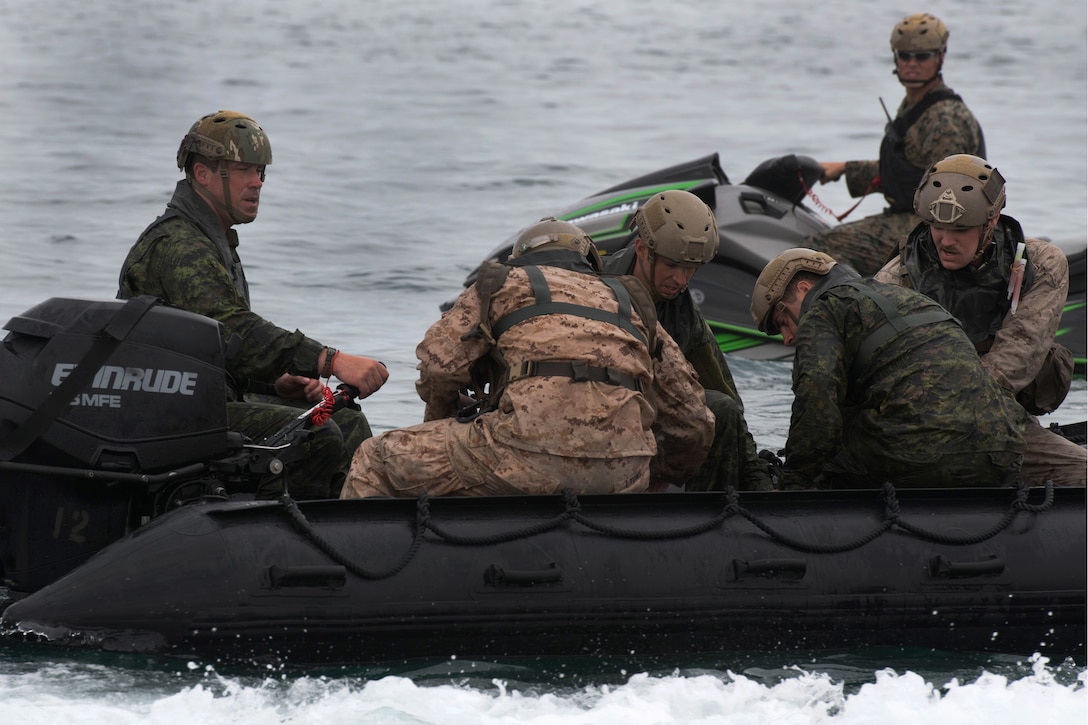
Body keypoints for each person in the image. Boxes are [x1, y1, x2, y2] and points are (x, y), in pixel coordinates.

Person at [118, 110, 389, 499]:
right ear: (202, 174)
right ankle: (284, 536)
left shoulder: (213, 240)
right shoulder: (181, 245)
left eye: (261, 171)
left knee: (343, 420)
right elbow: (233, 328)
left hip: (202, 396)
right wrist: (330, 361)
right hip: (170, 412)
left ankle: (349, 531)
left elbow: (212, 347)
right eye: (244, 170)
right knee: (317, 436)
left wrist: (273, 382)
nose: (257, 182)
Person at [341, 217, 714, 498]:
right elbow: (694, 420)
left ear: (523, 260)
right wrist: (657, 477)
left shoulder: (501, 283)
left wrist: (441, 422)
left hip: (520, 457)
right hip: (624, 474)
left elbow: (439, 367)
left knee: (373, 459)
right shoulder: (630, 301)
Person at [874, 154, 1085, 486]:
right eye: (936, 226)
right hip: (919, 426)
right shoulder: (896, 280)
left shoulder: (1038, 265)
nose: (945, 240)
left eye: (959, 229)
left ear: (992, 221)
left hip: (998, 417)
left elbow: (1016, 357)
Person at [750, 247, 1026, 490]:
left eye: (782, 321)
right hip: (1002, 453)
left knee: (829, 452)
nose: (787, 338)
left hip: (917, 456)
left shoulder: (824, 309)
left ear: (804, 289)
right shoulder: (908, 297)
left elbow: (816, 403)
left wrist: (792, 483)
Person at [601, 189, 773, 491]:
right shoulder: (597, 290)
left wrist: (758, 480)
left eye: (691, 268)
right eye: (671, 265)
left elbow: (724, 394)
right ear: (642, 250)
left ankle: (708, 518)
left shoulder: (681, 310)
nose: (680, 280)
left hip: (650, 418)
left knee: (721, 411)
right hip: (599, 415)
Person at [803, 12, 985, 276]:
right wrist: (845, 168)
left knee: (818, 248)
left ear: (940, 57)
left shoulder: (945, 118)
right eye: (904, 56)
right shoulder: (916, 105)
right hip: (914, 218)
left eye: (922, 56)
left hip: (934, 229)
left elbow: (950, 196)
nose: (912, 63)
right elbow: (910, 169)